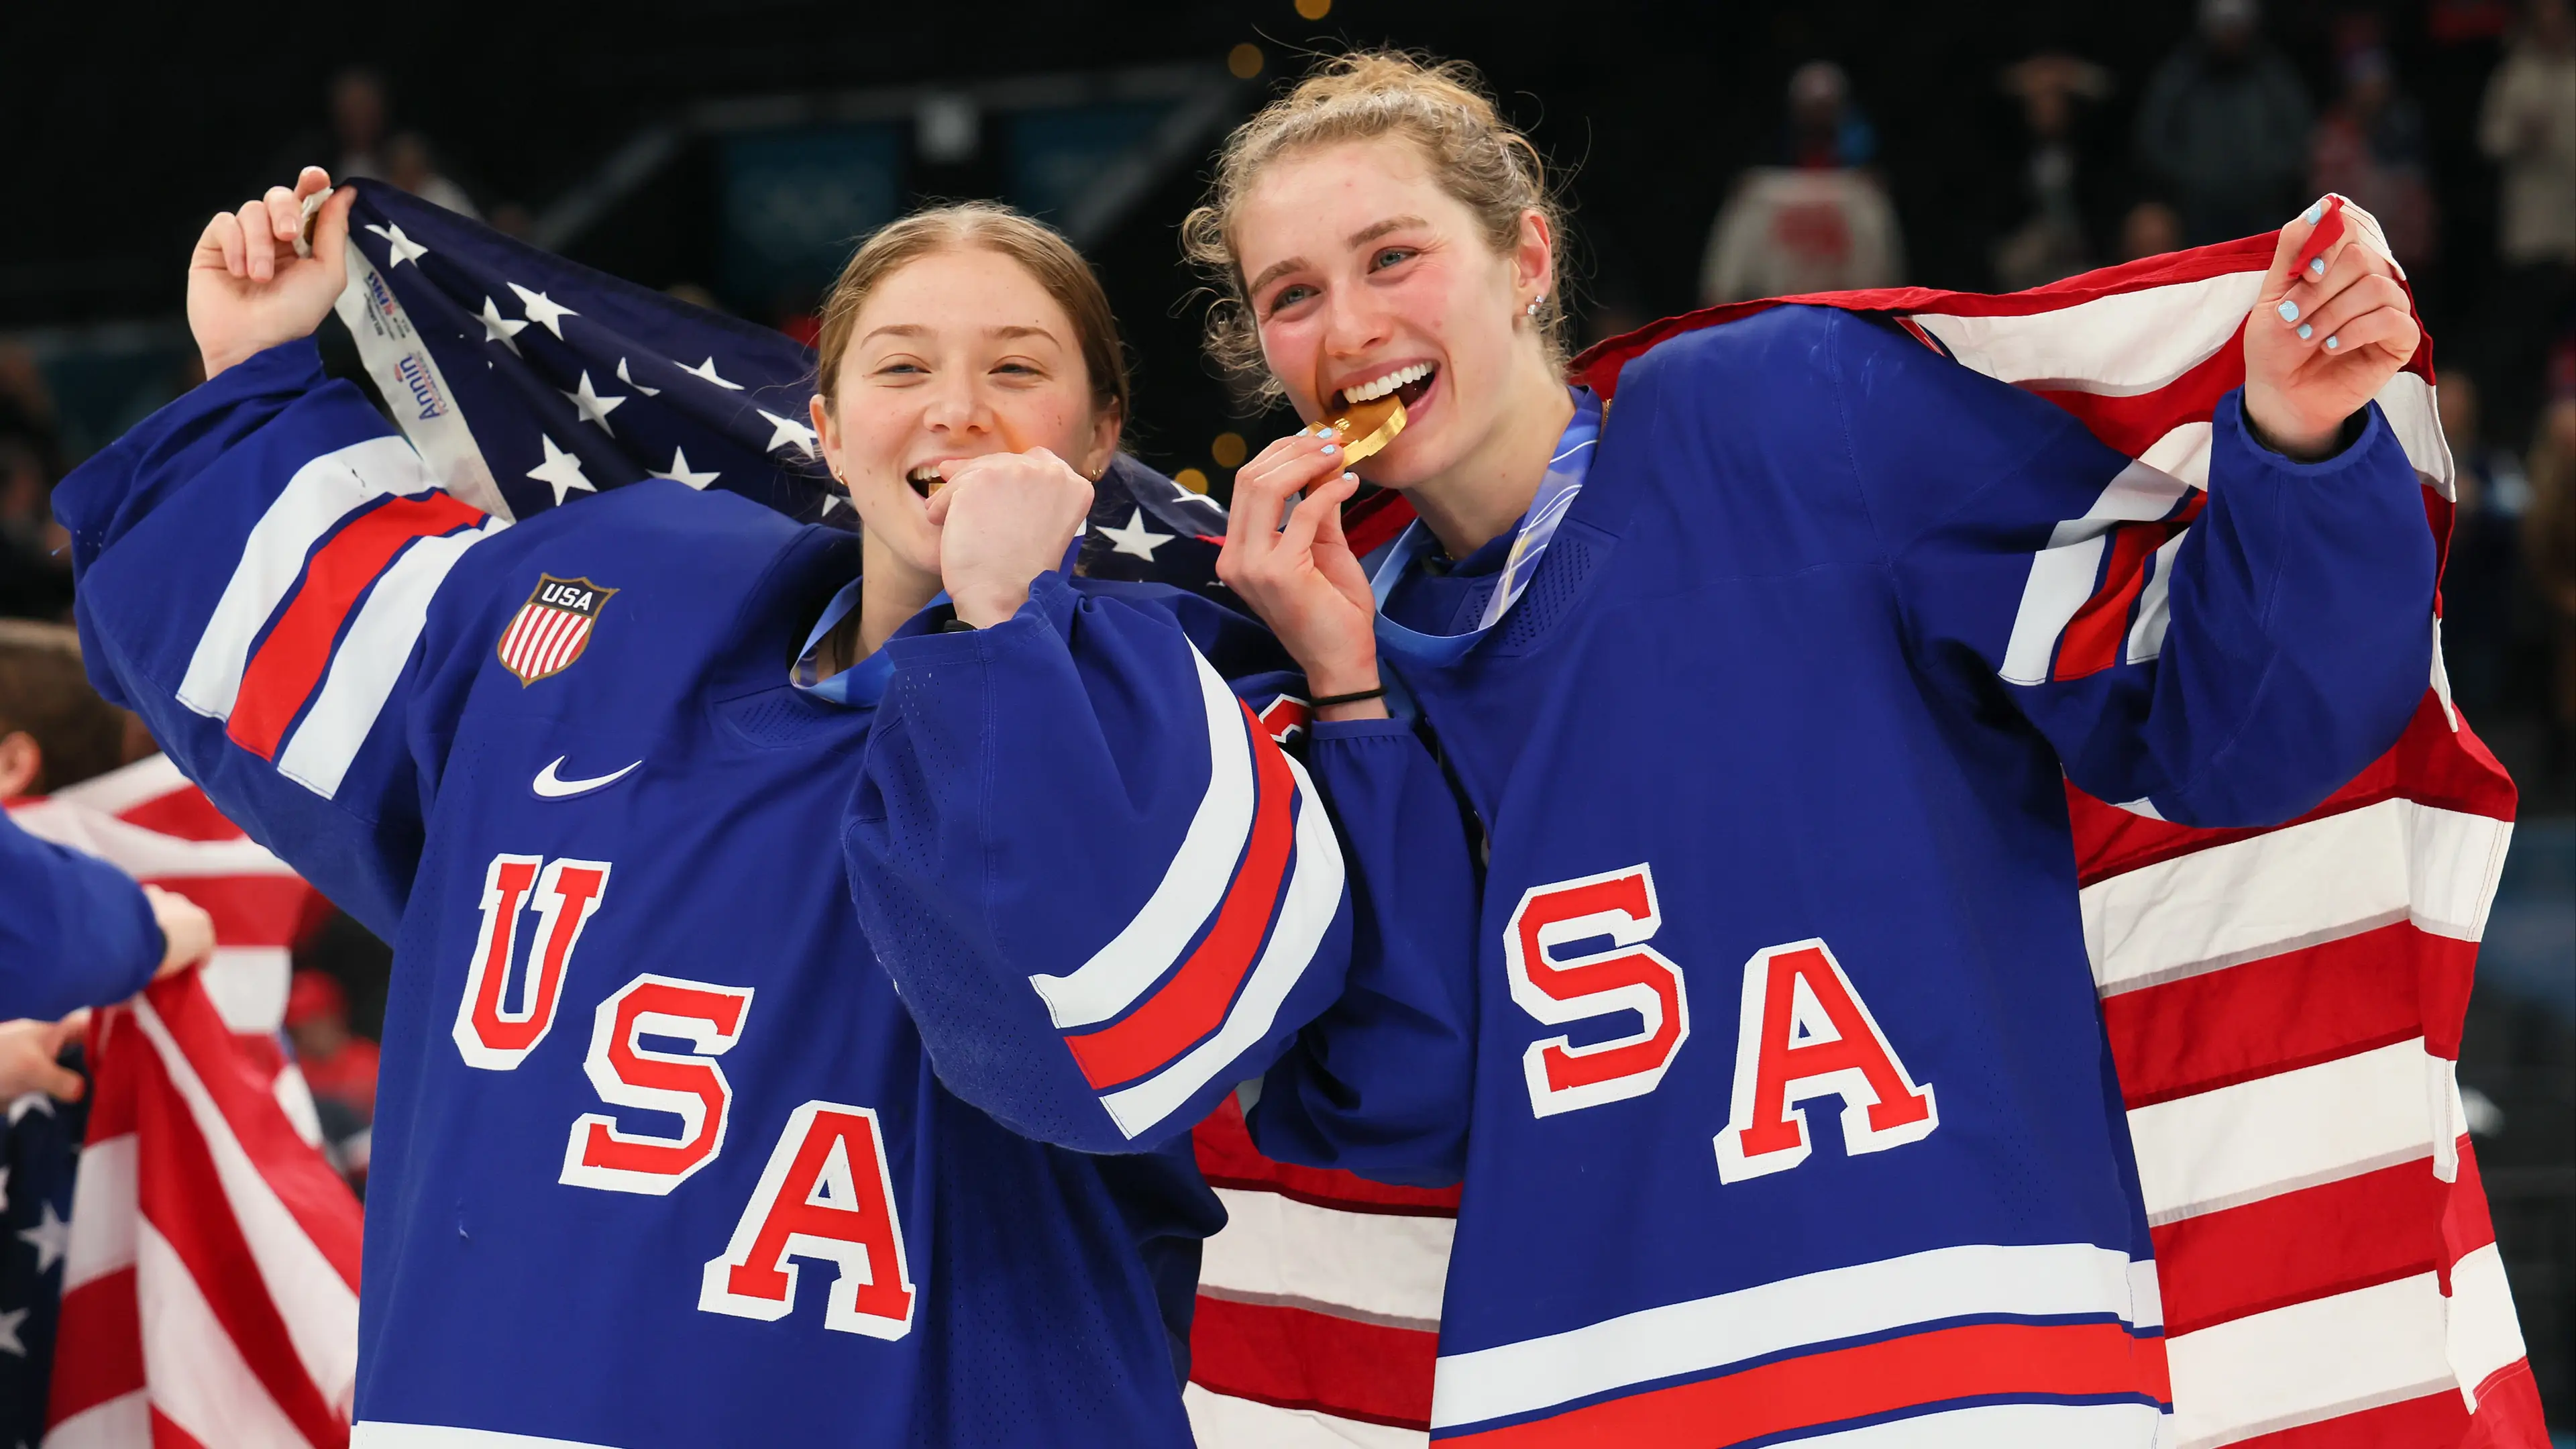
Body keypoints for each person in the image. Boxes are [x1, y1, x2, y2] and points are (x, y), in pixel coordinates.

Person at [1183, 51, 2430, 1444]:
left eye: (1392, 257)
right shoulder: (1335, 665)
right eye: (1293, 295)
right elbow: (1409, 1111)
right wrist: (1345, 690)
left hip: (1965, 1372)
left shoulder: (1793, 409)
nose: (1352, 326)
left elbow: (2227, 728)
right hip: (1582, 1397)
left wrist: (2299, 443)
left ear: (1527, 258)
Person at [58, 169, 1352, 1446]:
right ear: (828, 428)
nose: (955, 409)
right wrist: (253, 373)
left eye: (1016, 370)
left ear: (1100, 437)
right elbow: (301, 632)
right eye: (901, 368)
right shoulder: (607, 611)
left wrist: (1004, 619)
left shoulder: (1186, 707)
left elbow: (1087, 1040)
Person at [1699, 61, 1905, 303]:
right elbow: (1727, 271)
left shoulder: (1862, 176)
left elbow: (1884, 264)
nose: (1818, 116)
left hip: (1845, 308)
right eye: (1812, 108)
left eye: (1825, 108)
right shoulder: (1767, 172)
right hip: (1781, 307)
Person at [2136, 0, 2314, 244]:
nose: (2230, 35)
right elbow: (2153, 137)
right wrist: (2193, 176)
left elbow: (2301, 137)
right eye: (2223, 26)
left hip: (2262, 209)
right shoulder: (2180, 76)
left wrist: (2266, 175)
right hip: (2197, 211)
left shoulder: (2273, 77)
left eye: (2237, 26)